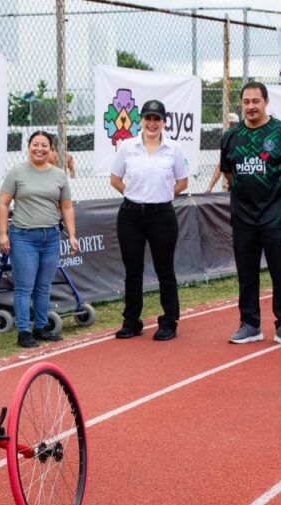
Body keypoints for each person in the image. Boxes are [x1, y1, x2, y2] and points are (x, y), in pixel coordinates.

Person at [220, 82, 281, 345]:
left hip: (276, 219)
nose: (250, 107)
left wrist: (277, 190)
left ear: (266, 102)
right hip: (243, 219)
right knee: (247, 275)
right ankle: (250, 324)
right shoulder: (231, 137)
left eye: (255, 101)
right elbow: (228, 173)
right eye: (246, 102)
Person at [109, 99, 189, 341]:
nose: (152, 123)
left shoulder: (174, 149)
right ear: (141, 121)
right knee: (132, 270)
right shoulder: (127, 147)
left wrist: (160, 195)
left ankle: (168, 322)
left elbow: (182, 182)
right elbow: (115, 179)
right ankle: (132, 321)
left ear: (164, 122)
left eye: (157, 119)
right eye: (148, 118)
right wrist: (135, 195)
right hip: (131, 214)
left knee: (165, 270)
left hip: (162, 215)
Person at [0, 131, 79, 348]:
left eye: (44, 145)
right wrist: (3, 233)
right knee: (25, 286)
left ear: (51, 149)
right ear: (29, 147)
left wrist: (72, 235)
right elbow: (4, 203)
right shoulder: (17, 172)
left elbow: (67, 206)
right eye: (35, 145)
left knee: (43, 286)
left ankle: (41, 327)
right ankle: (24, 331)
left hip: (51, 237)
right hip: (23, 237)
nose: (39, 149)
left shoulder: (59, 175)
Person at [206, 113, 241, 192]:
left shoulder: (237, 138)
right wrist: (210, 187)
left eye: (233, 124)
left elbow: (220, 166)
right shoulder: (228, 140)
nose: (231, 127)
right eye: (230, 124)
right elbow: (220, 166)